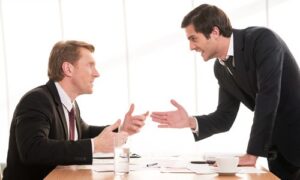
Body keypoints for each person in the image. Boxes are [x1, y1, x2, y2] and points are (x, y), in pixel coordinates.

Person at [151, 4, 300, 180]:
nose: (191, 47)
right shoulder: (221, 68)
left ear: (214, 32)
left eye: (193, 38)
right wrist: (190, 121)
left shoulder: (262, 40)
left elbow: (268, 96)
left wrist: (252, 154)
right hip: (278, 150)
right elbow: (225, 117)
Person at [3, 40, 149, 180]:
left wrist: (122, 129)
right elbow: (33, 150)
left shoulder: (70, 104)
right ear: (68, 69)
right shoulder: (37, 100)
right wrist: (94, 145)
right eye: (90, 66)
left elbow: (83, 132)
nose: (97, 73)